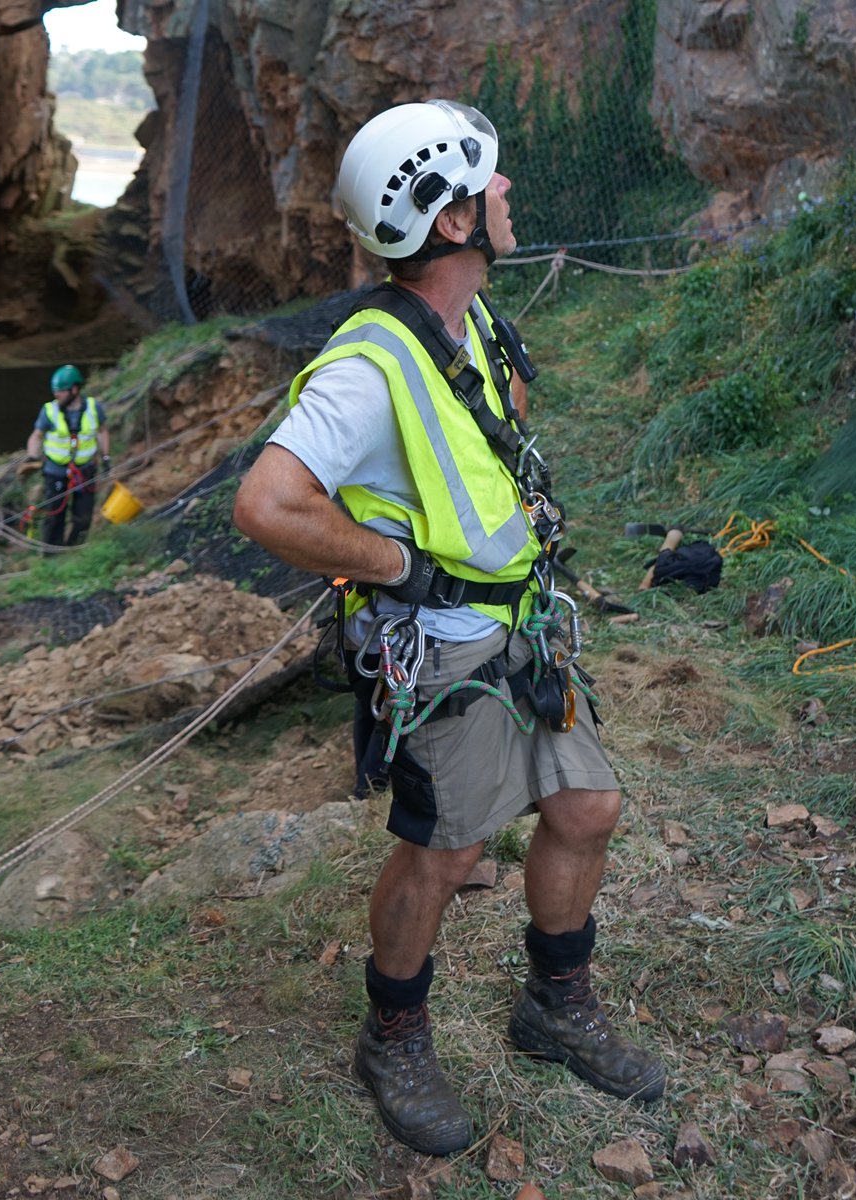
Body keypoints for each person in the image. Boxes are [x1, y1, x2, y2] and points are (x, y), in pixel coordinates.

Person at [232, 99, 664, 1157]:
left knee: (589, 807)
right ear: (453, 218)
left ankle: (553, 1007)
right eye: (490, 183)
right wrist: (396, 565)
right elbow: (267, 503)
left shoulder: (467, 323)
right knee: (445, 848)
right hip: (443, 646)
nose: (507, 191)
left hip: (515, 624)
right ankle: (394, 1035)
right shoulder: (367, 366)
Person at [26, 365, 111, 547]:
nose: (57, 395)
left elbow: (102, 431)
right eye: (55, 391)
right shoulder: (49, 411)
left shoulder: (93, 408)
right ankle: (51, 554)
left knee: (83, 516)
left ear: (74, 389)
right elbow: (36, 436)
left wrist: (105, 457)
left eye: (61, 391)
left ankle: (74, 549)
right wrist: (32, 457)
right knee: (54, 515)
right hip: (55, 471)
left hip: (85, 470)